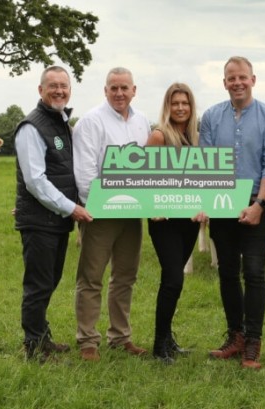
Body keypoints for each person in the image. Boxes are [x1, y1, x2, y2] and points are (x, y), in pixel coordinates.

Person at [199, 56, 265, 369]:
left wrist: (259, 205)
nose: (237, 83)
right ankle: (234, 336)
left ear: (253, 79)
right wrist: (206, 204)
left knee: (253, 271)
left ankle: (253, 341)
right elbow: (206, 162)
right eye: (231, 78)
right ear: (224, 83)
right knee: (226, 271)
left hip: (253, 204)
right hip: (221, 205)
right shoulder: (210, 117)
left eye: (242, 78)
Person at [72, 67, 151, 362]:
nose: (119, 93)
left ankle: (120, 336)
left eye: (124, 88)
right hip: (101, 213)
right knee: (91, 277)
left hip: (132, 212)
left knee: (125, 276)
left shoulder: (142, 121)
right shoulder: (91, 122)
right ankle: (87, 340)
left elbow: (147, 168)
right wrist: (96, 206)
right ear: (105, 91)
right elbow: (85, 171)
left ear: (134, 90)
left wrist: (148, 204)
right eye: (113, 88)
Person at [14, 66, 91, 363]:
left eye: (64, 86)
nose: (59, 90)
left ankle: (42, 337)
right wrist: (71, 207)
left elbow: (63, 173)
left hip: (54, 220)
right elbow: (35, 180)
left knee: (50, 280)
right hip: (41, 221)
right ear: (40, 90)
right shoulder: (32, 127)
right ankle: (34, 347)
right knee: (37, 285)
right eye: (53, 86)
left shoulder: (60, 124)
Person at [146, 83, 208, 364]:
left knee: (176, 279)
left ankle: (168, 339)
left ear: (192, 107)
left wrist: (205, 206)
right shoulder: (159, 136)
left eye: (185, 103)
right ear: (167, 107)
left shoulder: (197, 138)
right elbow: (145, 178)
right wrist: (156, 207)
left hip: (190, 219)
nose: (181, 108)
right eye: (175, 103)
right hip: (165, 220)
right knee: (172, 278)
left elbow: (206, 178)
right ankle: (159, 345)